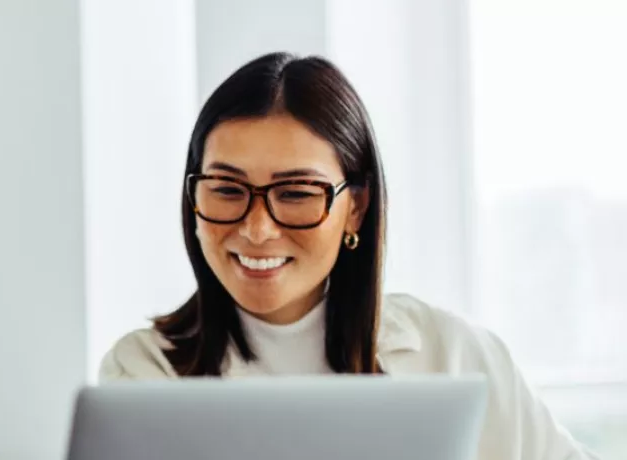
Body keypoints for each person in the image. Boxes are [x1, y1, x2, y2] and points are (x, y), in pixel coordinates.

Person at [98, 52, 600, 460]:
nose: (255, 229)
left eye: (295, 194)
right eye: (227, 189)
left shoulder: (453, 353)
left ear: (355, 208)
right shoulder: (144, 372)